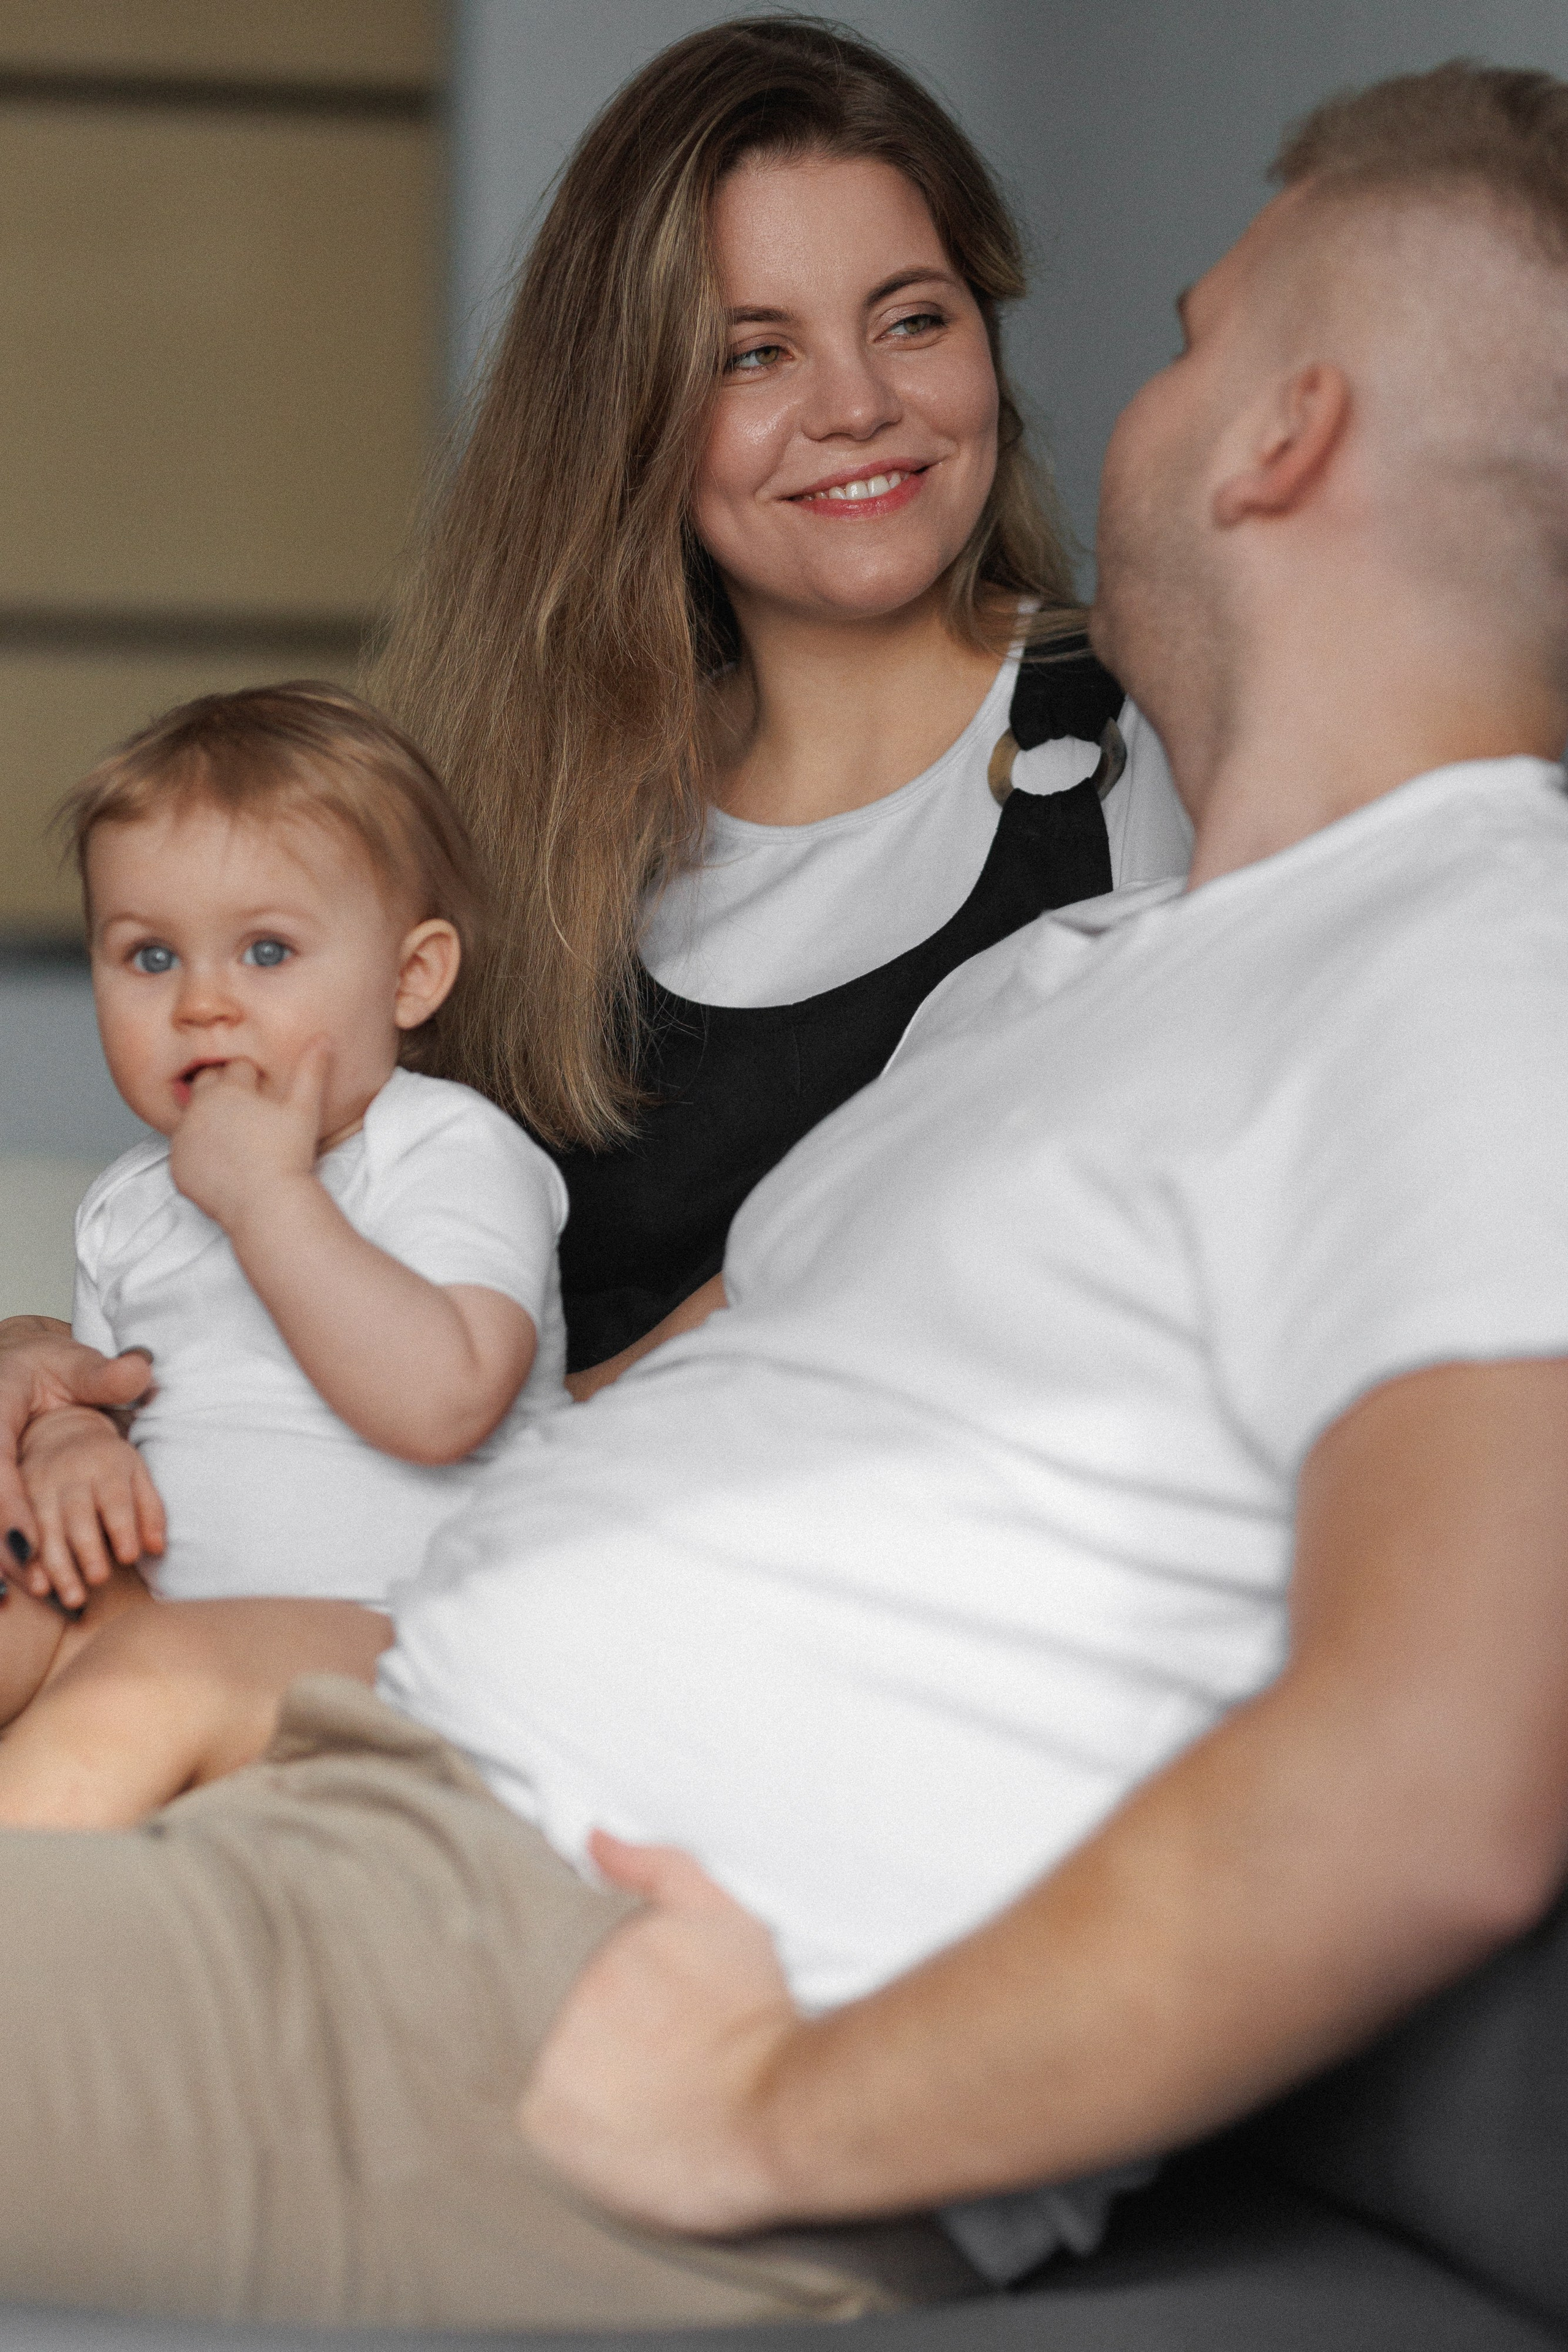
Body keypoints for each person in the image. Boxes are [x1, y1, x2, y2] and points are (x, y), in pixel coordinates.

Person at [1, 53, 1567, 2339]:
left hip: (523, 1949)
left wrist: (769, 2116)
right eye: (753, 349)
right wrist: (177, 1561)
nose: (1105, 398)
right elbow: (607, 1442)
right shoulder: (1065, 997)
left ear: (1280, 439)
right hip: (374, 1748)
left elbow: (1439, 1780)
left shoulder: (1485, 958)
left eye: (1196, 333)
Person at [371, 15, 1192, 1387]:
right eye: (755, 352)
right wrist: (59, 1368)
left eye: (911, 320)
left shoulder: (1164, 732)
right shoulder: (508, 825)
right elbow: (281, 1254)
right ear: (626, 414)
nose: (860, 404)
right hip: (528, 1579)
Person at [0, 686, 565, 1765]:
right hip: (150, 1625)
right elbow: (113, 1394)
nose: (202, 1004)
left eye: (265, 952)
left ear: (411, 977)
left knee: (115, 1708)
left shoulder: (445, 1148)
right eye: (150, 957)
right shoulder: (130, 1201)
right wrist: (72, 1440)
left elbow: (446, 1401)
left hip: (391, 1651)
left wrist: (267, 1200)